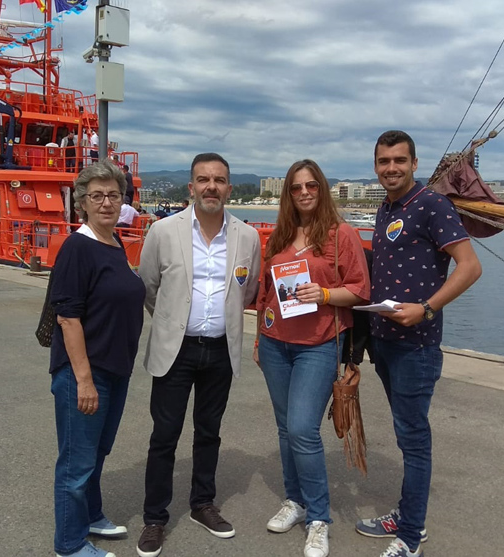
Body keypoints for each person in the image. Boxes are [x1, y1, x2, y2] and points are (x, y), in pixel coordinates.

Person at [355, 131, 481, 557]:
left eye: (399, 160)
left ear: (413, 163)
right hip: (385, 341)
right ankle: (409, 516)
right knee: (404, 431)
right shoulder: (386, 207)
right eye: (383, 161)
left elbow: (470, 267)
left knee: (413, 438)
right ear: (375, 165)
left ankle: (410, 537)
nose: (391, 168)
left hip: (417, 344)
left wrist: (426, 309)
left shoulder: (432, 204)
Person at [136, 153, 261, 557]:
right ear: (191, 187)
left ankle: (202, 504)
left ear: (229, 187)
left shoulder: (247, 237)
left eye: (219, 180)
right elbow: (149, 286)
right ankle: (155, 518)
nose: (211, 186)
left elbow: (250, 288)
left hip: (221, 350)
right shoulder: (163, 231)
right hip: (177, 349)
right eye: (203, 179)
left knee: (209, 432)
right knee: (164, 436)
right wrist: (174, 321)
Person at [254, 159, 370, 557]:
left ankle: (319, 517)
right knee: (286, 428)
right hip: (274, 343)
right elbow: (266, 297)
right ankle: (295, 500)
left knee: (303, 429)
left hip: (319, 344)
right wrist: (258, 340)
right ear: (288, 194)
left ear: (321, 190)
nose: (304, 193)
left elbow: (359, 291)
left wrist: (322, 294)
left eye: (311, 186)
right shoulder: (279, 237)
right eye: (296, 187)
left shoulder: (342, 235)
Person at [48, 162, 146, 557]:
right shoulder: (78, 247)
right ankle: (69, 544)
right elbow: (68, 318)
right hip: (85, 375)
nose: (107, 203)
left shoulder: (113, 243)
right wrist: (84, 380)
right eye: (97, 196)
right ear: (82, 203)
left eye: (114, 195)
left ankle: (89, 516)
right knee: (75, 464)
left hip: (114, 369)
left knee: (96, 453)